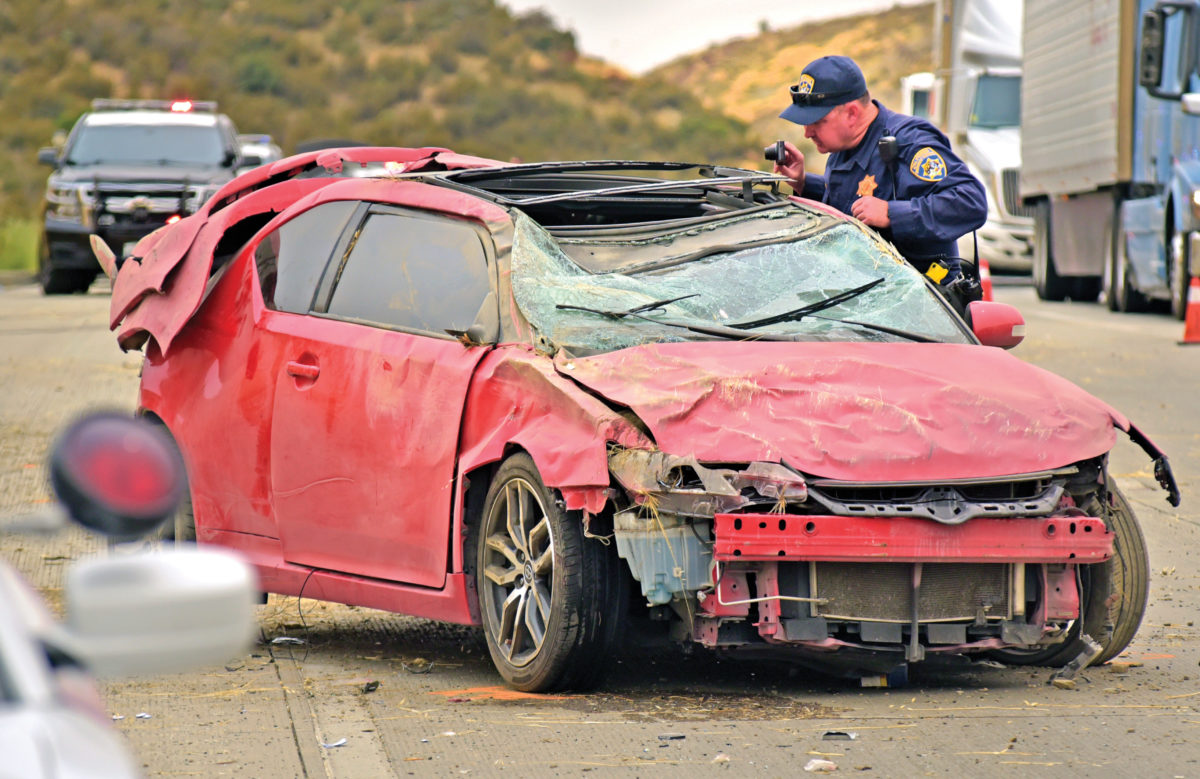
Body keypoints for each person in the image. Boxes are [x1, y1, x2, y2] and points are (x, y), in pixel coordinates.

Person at [772, 55, 986, 297]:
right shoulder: (843, 146)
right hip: (863, 298)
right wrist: (803, 183)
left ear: (852, 113)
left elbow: (970, 202)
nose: (807, 132)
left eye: (817, 122)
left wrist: (891, 213)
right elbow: (856, 204)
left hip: (923, 305)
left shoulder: (910, 142)